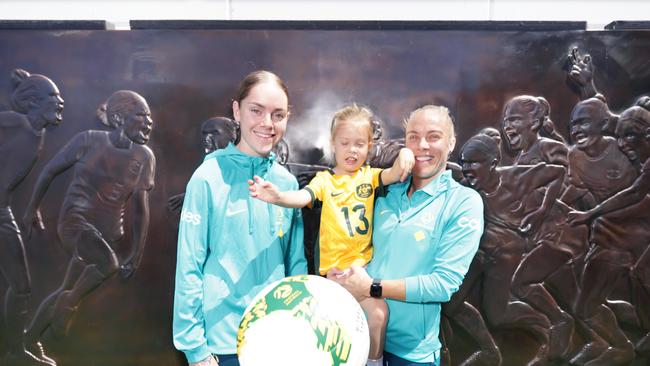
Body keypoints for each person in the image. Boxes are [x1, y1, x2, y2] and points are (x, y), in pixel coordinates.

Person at [248, 103, 414, 366]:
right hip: (333, 277)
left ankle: (373, 362)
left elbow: (396, 173)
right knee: (331, 333)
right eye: (345, 143)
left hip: (362, 272)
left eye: (359, 144)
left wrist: (406, 152)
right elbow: (303, 197)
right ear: (333, 145)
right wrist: (278, 196)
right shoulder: (324, 181)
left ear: (369, 146)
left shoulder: (370, 177)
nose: (352, 150)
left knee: (379, 313)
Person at [172, 70, 307, 366]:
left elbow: (295, 264)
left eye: (278, 114)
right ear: (237, 110)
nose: (267, 124)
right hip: (222, 347)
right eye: (256, 110)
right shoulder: (207, 177)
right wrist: (195, 350)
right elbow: (189, 266)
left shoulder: (287, 184)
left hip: (277, 342)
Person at [332, 105, 484, 365]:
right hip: (357, 339)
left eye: (433, 136)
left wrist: (372, 287)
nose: (422, 145)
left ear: (451, 143)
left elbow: (442, 284)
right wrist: (345, 276)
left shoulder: (463, 202)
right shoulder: (387, 194)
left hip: (412, 354)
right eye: (413, 136)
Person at [21, 90, 155, 364]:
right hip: (75, 223)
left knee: (65, 286)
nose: (148, 122)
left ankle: (29, 339)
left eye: (149, 116)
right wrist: (31, 208)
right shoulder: (89, 140)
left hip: (107, 234)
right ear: (118, 118)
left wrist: (137, 253)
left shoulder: (144, 156)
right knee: (108, 264)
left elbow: (142, 209)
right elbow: (49, 170)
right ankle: (69, 304)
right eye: (141, 115)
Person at [568, 104, 650, 361]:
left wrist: (596, 215)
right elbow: (633, 192)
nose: (623, 143)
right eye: (621, 136)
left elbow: (637, 196)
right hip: (611, 233)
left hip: (633, 233)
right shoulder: (644, 164)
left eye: (630, 136)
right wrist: (593, 214)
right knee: (636, 276)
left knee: (641, 274)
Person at [0, 69, 64, 366]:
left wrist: (33, 205)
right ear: (33, 103)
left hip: (3, 212)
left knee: (22, 287)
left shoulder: (36, 132)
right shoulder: (16, 122)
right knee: (20, 286)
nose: (61, 101)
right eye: (53, 96)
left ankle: (13, 352)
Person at [501, 95, 568, 166]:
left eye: (515, 120)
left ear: (534, 123)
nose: (507, 127)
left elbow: (567, 173)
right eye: (506, 122)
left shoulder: (551, 148)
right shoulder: (519, 158)